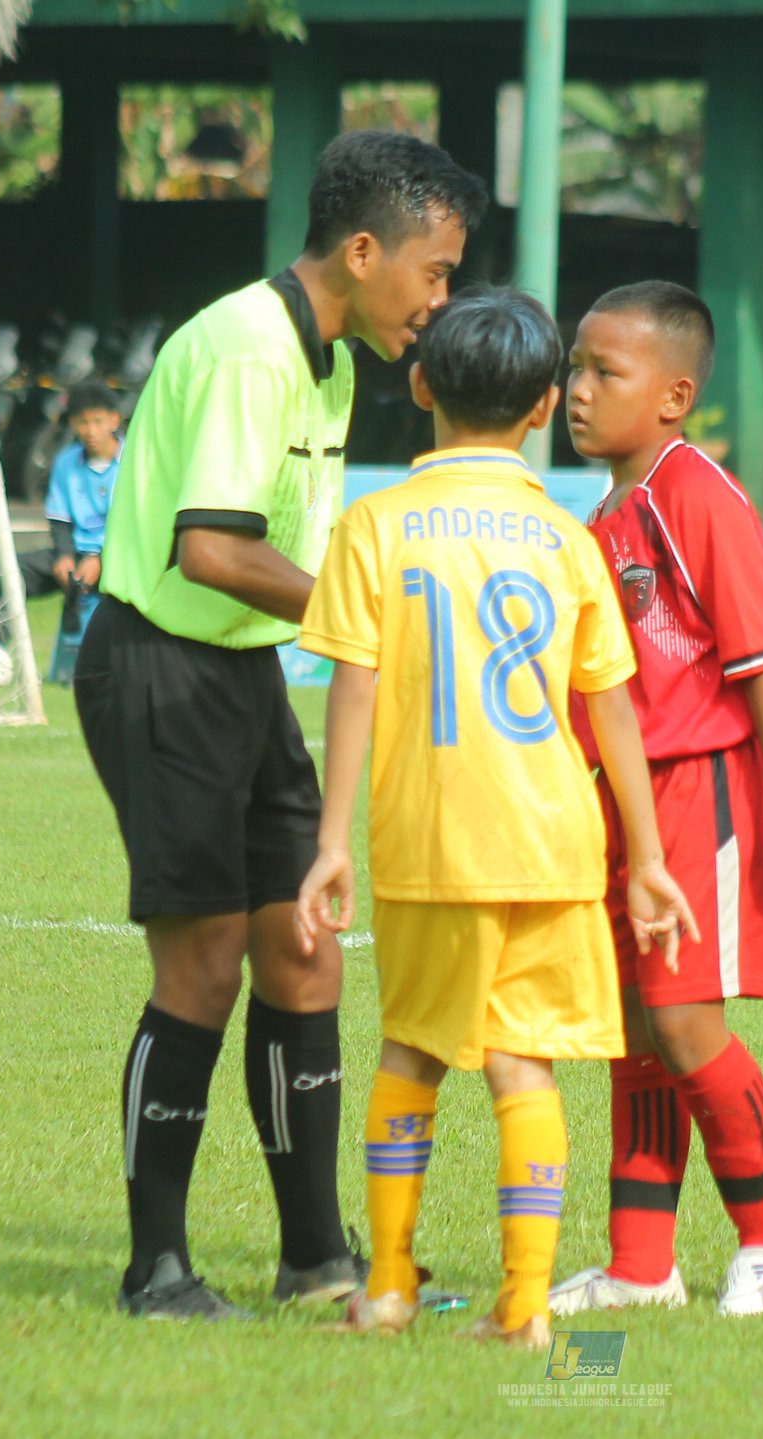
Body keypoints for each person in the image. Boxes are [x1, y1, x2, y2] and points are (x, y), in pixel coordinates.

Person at [74, 130, 489, 1322]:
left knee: (301, 946)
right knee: (201, 963)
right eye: (434, 270)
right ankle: (156, 1265)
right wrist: (364, 616)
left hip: (244, 676)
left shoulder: (332, 363)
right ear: (363, 252)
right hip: (162, 668)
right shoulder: (251, 350)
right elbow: (208, 546)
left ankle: (317, 1256)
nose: (440, 297)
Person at [292, 287, 698, 1348]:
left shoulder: (373, 524)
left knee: (410, 1052)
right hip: (555, 843)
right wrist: (646, 856)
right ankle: (524, 1304)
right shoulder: (567, 538)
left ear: (419, 383)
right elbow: (610, 704)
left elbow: (352, 687)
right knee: (526, 1065)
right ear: (542, 405)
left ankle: (383, 1286)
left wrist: (331, 842)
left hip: (430, 842)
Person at [550, 281, 763, 1318]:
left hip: (703, 789)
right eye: (573, 368)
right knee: (633, 1028)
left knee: (681, 1021)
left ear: (673, 395)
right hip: (632, 799)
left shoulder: (696, 495)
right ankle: (639, 1263)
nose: (576, 391)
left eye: (602, 373)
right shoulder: (611, 507)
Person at [0, 380, 121, 652]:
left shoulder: (135, 460)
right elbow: (60, 520)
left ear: (114, 420)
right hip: (76, 554)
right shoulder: (66, 461)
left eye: (98, 421)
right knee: (8, 573)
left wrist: (101, 559)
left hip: (119, 557)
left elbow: (137, 524)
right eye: (83, 422)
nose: (91, 430)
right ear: (72, 423)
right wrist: (65, 556)